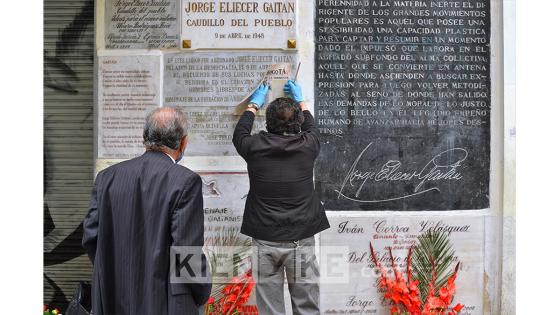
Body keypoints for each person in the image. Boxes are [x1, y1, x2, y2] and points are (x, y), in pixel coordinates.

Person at [82, 107, 211, 314]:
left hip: (112, 296)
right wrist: (202, 292)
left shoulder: (106, 177)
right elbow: (186, 253)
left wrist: (110, 270)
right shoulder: (185, 181)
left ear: (144, 138)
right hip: (165, 301)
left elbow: (91, 237)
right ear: (183, 142)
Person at [232, 80, 330, 314]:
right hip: (301, 240)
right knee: (307, 307)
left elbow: (240, 133)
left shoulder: (253, 146)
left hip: (265, 240)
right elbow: (311, 126)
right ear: (297, 124)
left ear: (269, 122)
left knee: (270, 309)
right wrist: (301, 100)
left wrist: (253, 104)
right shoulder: (309, 145)